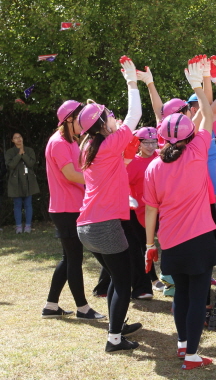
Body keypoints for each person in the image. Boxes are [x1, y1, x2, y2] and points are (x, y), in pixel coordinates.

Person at [144, 57, 216, 370]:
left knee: (180, 294)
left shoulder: (152, 167)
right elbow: (209, 114)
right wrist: (200, 87)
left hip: (170, 240)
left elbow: (150, 210)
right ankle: (191, 356)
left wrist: (150, 244)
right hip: (200, 237)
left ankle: (182, 345)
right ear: (189, 135)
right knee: (198, 297)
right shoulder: (198, 150)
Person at [76, 56, 143, 353]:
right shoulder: (109, 142)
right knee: (124, 279)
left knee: (118, 277)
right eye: (108, 115)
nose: (113, 117)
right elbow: (135, 115)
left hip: (86, 226)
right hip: (104, 226)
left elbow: (115, 168)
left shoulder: (87, 146)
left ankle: (119, 323)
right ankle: (115, 338)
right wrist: (132, 83)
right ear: (102, 124)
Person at [43, 100, 105, 320]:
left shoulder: (71, 141)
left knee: (68, 258)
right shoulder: (58, 142)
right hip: (66, 209)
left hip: (70, 207)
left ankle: (51, 306)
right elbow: (70, 174)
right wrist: (97, 181)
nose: (83, 122)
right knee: (74, 259)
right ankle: (83, 308)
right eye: (80, 118)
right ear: (69, 119)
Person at [125, 127, 161, 297]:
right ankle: (146, 283)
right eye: (146, 142)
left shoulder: (161, 157)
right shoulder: (130, 162)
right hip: (138, 211)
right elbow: (122, 185)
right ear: (138, 144)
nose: (150, 146)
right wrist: (129, 198)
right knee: (140, 248)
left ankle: (166, 279)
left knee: (168, 244)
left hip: (161, 209)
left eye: (154, 142)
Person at [6, 132, 40, 233]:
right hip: (15, 182)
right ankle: (18, 226)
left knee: (28, 204)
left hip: (28, 181)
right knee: (17, 204)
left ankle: (28, 226)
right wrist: (18, 155)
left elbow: (31, 163)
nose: (18, 139)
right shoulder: (9, 152)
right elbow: (10, 165)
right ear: (12, 140)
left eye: (19, 137)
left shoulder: (29, 150)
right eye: (15, 138)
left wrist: (23, 154)